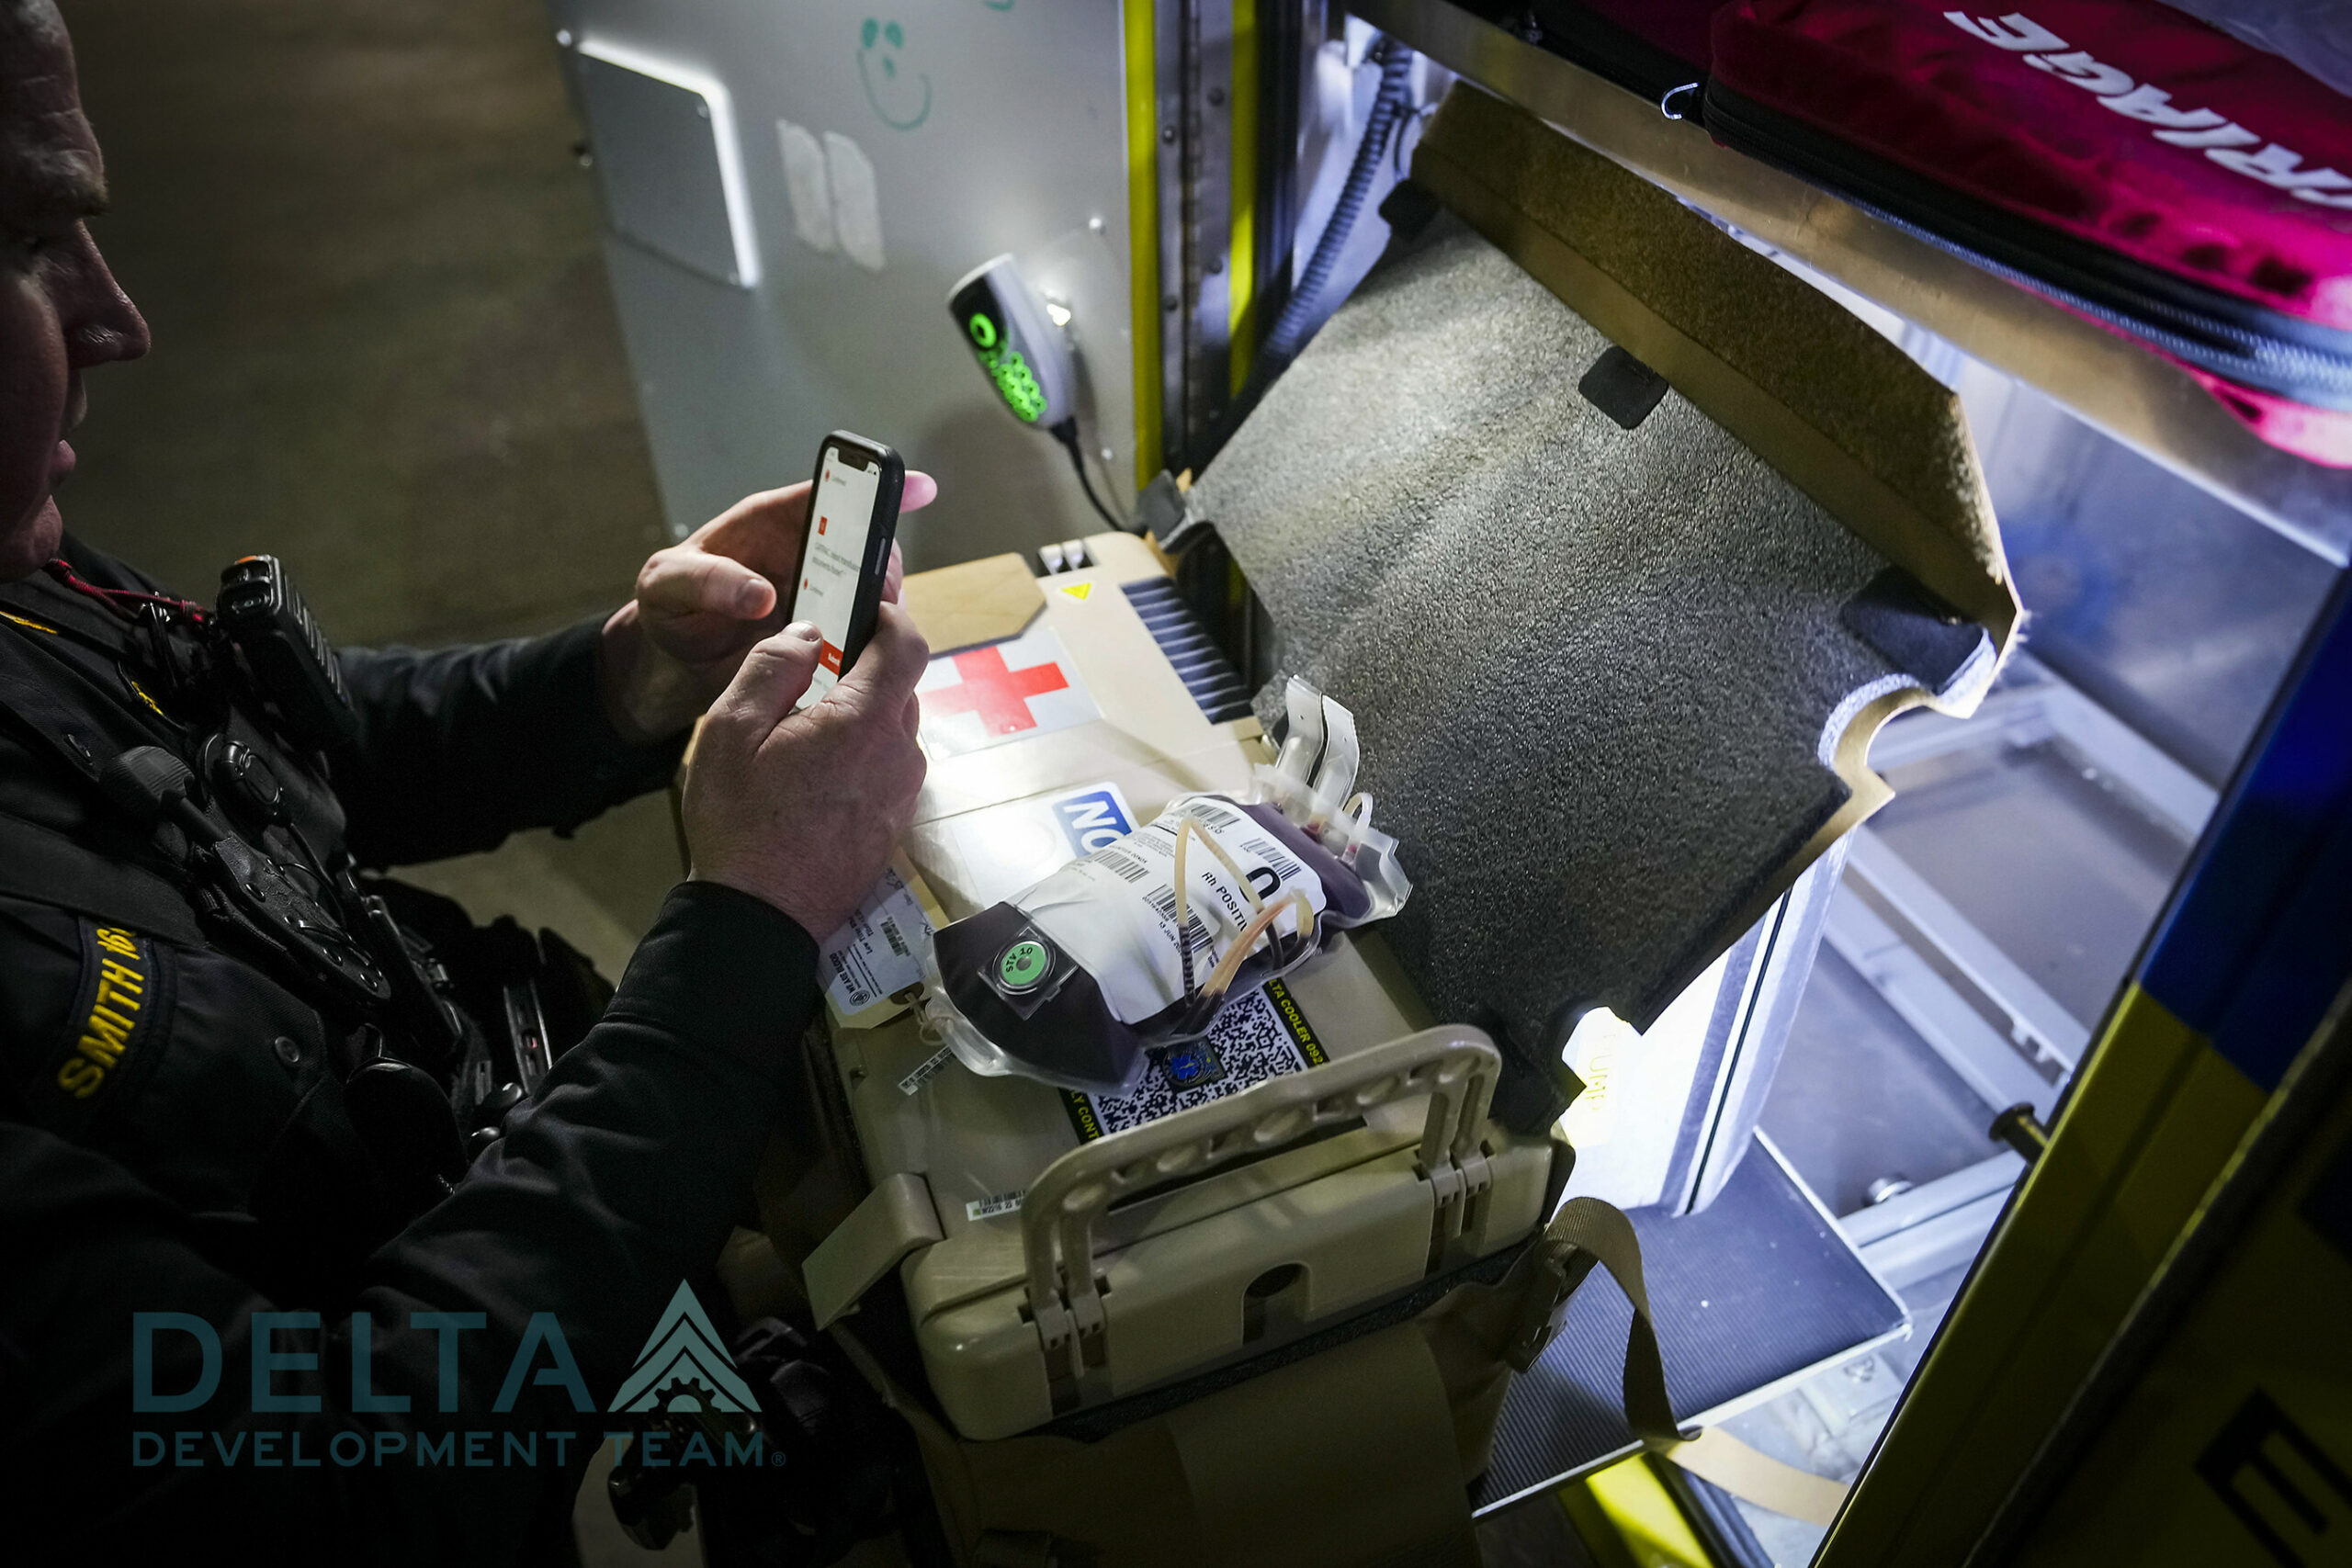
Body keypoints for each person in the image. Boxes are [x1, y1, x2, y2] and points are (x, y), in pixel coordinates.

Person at [0, 2, 933, 1557]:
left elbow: (286, 739)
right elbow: (354, 1477)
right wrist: (747, 927)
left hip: (528, 1143)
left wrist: (620, 681)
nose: (118, 318)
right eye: (30, 245)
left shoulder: (19, 580)